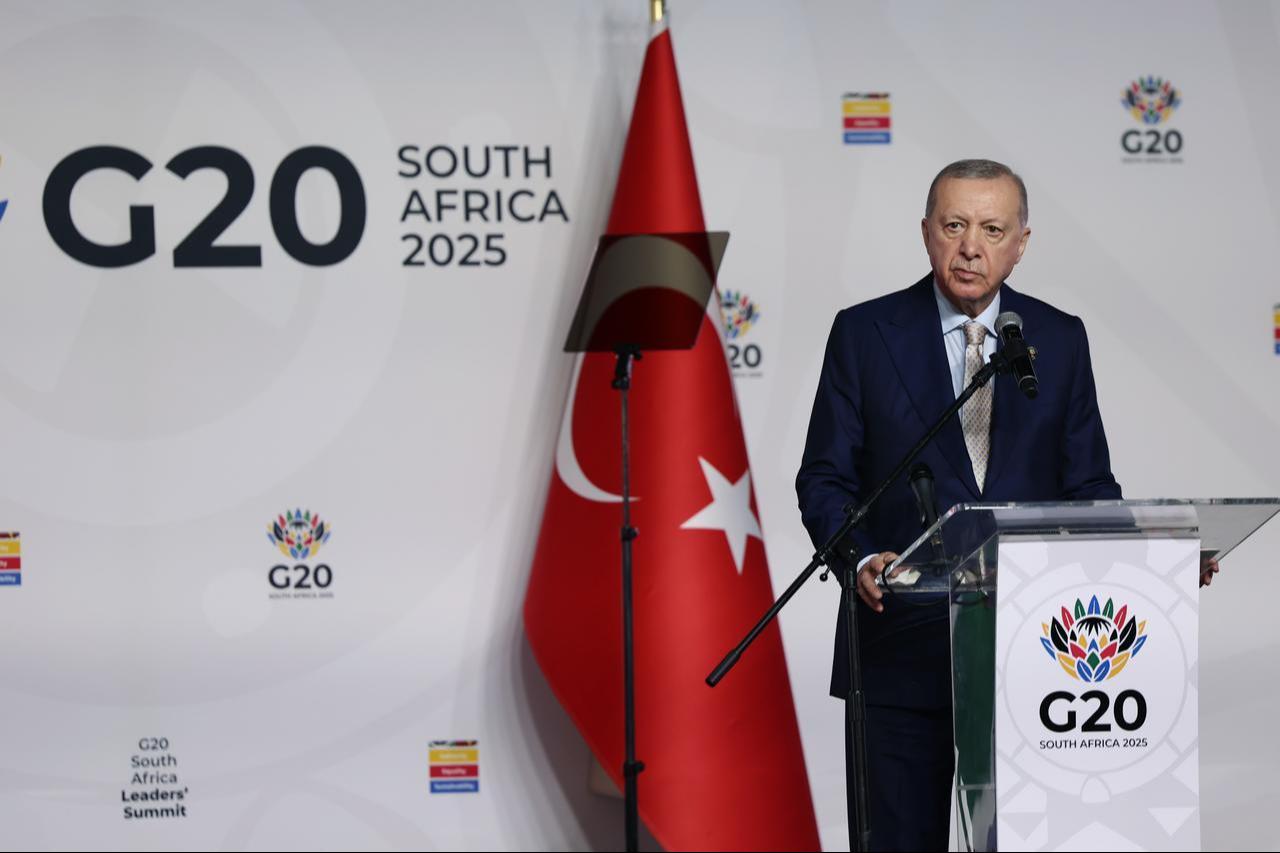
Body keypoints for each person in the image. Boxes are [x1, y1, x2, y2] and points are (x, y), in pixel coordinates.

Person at [797, 158, 1128, 850]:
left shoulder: (1058, 338)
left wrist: (1150, 559)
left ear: (1021, 242)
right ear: (926, 232)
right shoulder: (864, 333)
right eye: (954, 225)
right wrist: (857, 558)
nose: (970, 246)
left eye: (990, 228)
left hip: (1033, 656)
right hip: (897, 646)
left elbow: (1090, 487)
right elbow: (824, 479)